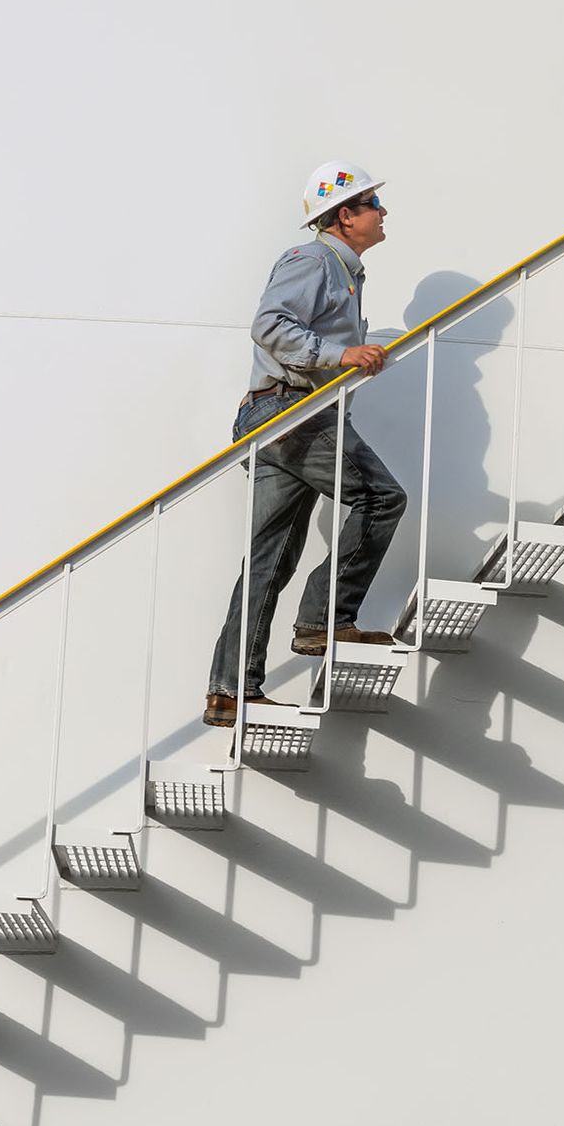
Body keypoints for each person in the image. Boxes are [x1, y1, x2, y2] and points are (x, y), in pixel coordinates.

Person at [205, 161, 409, 727]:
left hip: (280, 416)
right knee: (382, 498)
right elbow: (270, 324)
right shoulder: (314, 260)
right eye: (372, 204)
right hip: (291, 412)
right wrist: (341, 354)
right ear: (344, 216)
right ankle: (326, 620)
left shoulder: (341, 270)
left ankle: (230, 692)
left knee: (269, 560)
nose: (383, 212)